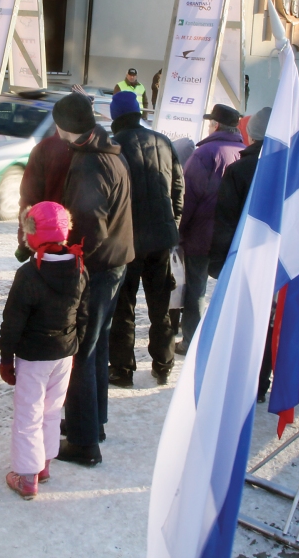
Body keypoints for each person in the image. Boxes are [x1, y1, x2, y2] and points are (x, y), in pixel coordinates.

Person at [53, 93, 134, 466]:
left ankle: (85, 445)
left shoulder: (89, 165)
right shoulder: (109, 151)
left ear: (66, 128)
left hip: (98, 268)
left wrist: (74, 266)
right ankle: (93, 421)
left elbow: (89, 227)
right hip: (116, 262)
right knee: (97, 345)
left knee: (82, 351)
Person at [0, 202, 88, 499]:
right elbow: (83, 314)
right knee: (51, 410)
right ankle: (44, 464)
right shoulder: (78, 266)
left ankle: (26, 476)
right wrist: (74, 342)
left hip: (34, 355)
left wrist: (5, 357)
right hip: (64, 353)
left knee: (28, 413)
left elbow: (12, 321)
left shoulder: (29, 275)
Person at [106, 91, 184, 387]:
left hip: (128, 240)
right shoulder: (163, 141)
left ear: (115, 117)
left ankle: (123, 370)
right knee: (161, 305)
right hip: (161, 238)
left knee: (123, 307)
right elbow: (179, 187)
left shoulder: (114, 146)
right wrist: (172, 224)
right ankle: (163, 364)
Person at [209, 107, 276, 402]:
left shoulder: (240, 170)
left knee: (241, 323)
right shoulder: (289, 168)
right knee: (268, 323)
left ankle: (240, 381)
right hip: (275, 260)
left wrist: (218, 264)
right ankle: (261, 382)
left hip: (244, 259)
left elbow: (225, 221)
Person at [176, 103, 244, 354]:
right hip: (233, 236)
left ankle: (191, 340)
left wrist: (179, 230)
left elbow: (188, 197)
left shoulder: (205, 153)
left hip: (202, 234)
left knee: (196, 289)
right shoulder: (245, 151)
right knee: (228, 290)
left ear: (215, 125)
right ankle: (222, 339)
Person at [15, 129, 74, 261]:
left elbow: (29, 199)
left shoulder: (45, 148)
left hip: (45, 244)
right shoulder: (97, 149)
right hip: (82, 247)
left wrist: (24, 244)